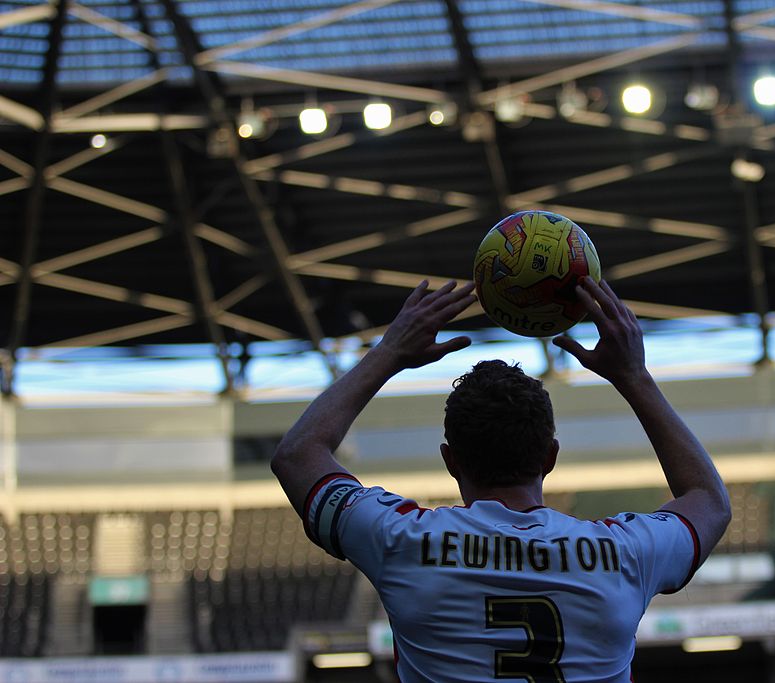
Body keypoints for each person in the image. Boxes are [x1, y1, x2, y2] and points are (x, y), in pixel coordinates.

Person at [272, 276, 732, 682]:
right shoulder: (626, 554)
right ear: (550, 456)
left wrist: (390, 352)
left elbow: (297, 456)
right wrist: (633, 376)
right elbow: (708, 501)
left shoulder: (400, 540)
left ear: (451, 461)